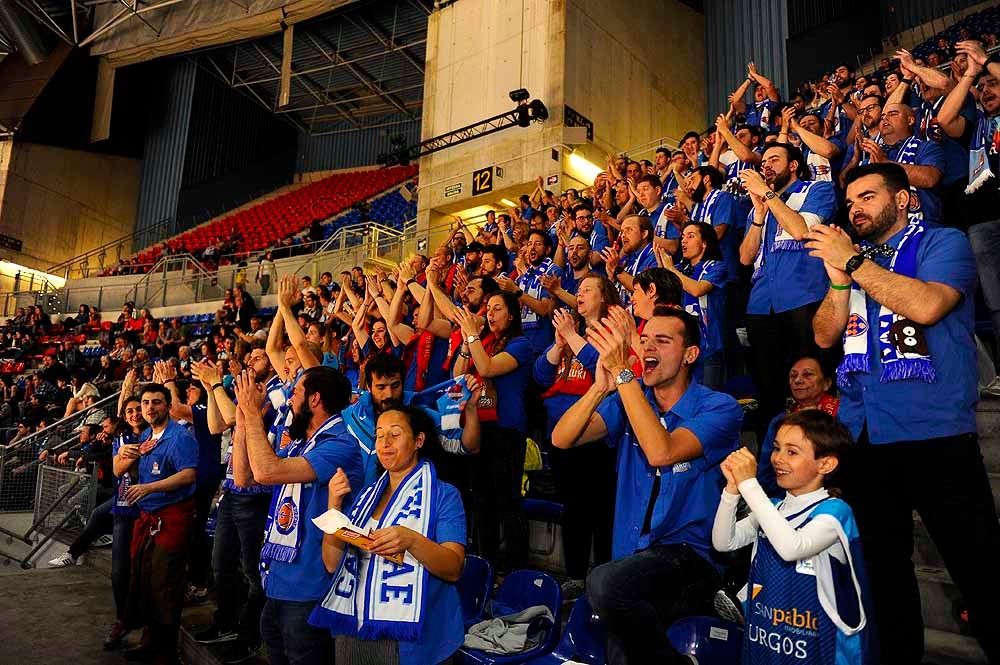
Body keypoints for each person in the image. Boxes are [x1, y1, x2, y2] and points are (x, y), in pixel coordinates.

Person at [808, 162, 1000, 661]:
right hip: (864, 435)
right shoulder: (857, 260)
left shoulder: (944, 243)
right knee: (885, 579)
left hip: (936, 433)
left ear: (904, 200)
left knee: (980, 572)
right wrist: (837, 281)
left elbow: (927, 305)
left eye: (868, 197)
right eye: (851, 202)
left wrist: (853, 266)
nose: (856, 209)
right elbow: (825, 336)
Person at [552, 307, 742, 665]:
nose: (648, 347)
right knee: (619, 633)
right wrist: (599, 388)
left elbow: (661, 452)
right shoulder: (631, 397)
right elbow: (562, 438)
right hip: (635, 557)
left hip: (692, 556)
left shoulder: (720, 408)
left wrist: (624, 375)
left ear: (690, 355)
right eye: (644, 339)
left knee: (607, 585)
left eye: (663, 340)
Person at [712, 411, 874, 664]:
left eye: (792, 452)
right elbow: (724, 542)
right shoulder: (773, 509)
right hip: (767, 638)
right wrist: (732, 490)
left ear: (825, 464)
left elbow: (792, 547)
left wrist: (749, 484)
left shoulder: (834, 512)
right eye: (777, 448)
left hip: (818, 647)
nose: (777, 459)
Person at [309, 406, 467, 664]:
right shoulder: (366, 495)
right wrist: (334, 506)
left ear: (419, 440)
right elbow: (331, 563)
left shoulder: (443, 495)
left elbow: (453, 567)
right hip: (356, 628)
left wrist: (412, 540)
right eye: (379, 435)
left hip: (415, 639)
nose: (385, 443)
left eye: (395, 434)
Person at [232, 366, 363, 665]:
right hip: (279, 581)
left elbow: (266, 471)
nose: (290, 399)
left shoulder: (340, 444)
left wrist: (254, 414)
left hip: (311, 587)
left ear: (314, 399)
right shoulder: (302, 444)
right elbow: (244, 478)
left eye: (296, 393)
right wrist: (243, 419)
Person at [738, 142, 836, 437]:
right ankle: (771, 457)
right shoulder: (762, 206)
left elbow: (800, 231)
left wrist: (767, 195)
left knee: (810, 382)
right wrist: (758, 214)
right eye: (763, 160)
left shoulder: (816, 190)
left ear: (793, 165)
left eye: (774, 159)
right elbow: (745, 257)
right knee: (768, 389)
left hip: (804, 297)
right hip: (761, 304)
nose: (766, 165)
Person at [534, 275, 620, 597]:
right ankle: (575, 576)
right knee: (573, 508)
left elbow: (607, 368)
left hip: (594, 435)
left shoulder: (611, 334)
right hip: (560, 433)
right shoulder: (572, 335)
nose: (579, 295)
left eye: (587, 290)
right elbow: (541, 376)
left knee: (599, 510)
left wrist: (571, 336)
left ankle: (604, 579)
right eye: (578, 290)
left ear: (604, 298)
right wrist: (559, 344)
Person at [451, 291, 534, 573]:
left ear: (511, 315)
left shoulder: (521, 344)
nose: (490, 313)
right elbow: (457, 375)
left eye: (497, 309)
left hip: (506, 429)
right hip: (478, 427)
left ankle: (516, 571)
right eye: (488, 308)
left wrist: (473, 335)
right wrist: (467, 340)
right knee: (482, 499)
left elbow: (486, 367)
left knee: (508, 500)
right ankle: (486, 565)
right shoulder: (482, 342)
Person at [119, 382, 199, 663]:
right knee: (146, 582)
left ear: (167, 405)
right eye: (145, 403)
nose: (150, 408)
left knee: (165, 585)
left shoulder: (180, 436)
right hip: (148, 519)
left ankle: (166, 652)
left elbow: (188, 474)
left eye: (156, 402)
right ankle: (150, 642)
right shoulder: (147, 438)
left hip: (171, 519)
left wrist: (149, 489)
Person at [756, 355, 839, 497]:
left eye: (808, 374)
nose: (798, 380)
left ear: (827, 383)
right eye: (793, 376)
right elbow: (765, 473)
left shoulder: (843, 416)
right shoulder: (780, 420)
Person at [660, 222, 727, 389]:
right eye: (682, 236)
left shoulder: (716, 266)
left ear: (704, 243)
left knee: (708, 399)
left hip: (709, 347)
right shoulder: (679, 269)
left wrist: (670, 270)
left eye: (690, 236)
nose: (684, 241)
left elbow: (698, 289)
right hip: (682, 349)